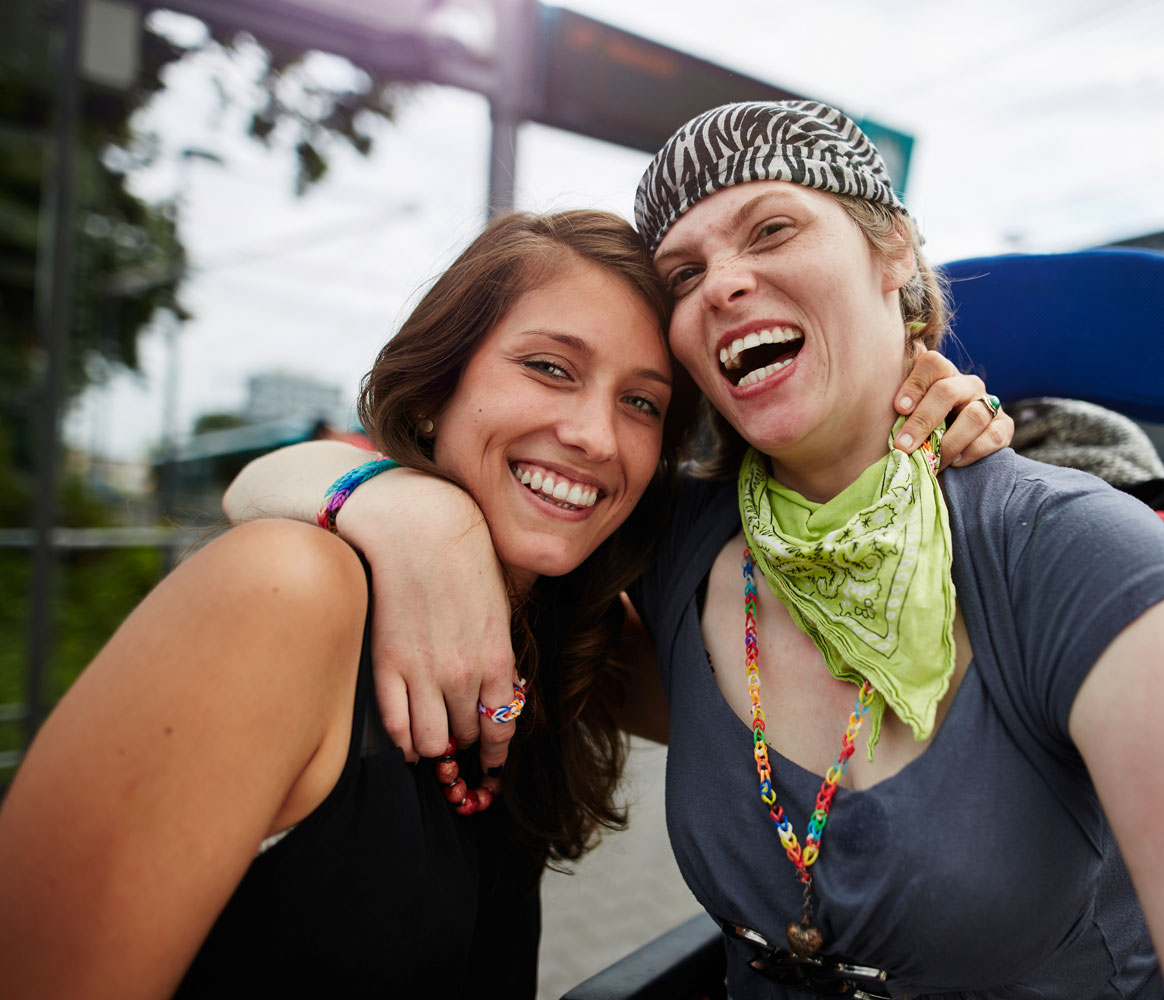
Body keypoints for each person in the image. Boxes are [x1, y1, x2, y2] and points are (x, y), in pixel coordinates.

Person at [244, 102, 1164, 999]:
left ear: (891, 252)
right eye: (686, 273)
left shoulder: (1071, 556)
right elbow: (267, 487)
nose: (726, 280)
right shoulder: (671, 537)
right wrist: (401, 505)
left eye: (771, 228)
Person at [0, 206, 1003, 998]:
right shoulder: (286, 593)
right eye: (549, 368)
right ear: (438, 388)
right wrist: (370, 493)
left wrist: (894, 436)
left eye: (643, 401)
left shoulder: (566, 643)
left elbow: (845, 701)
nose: (593, 435)